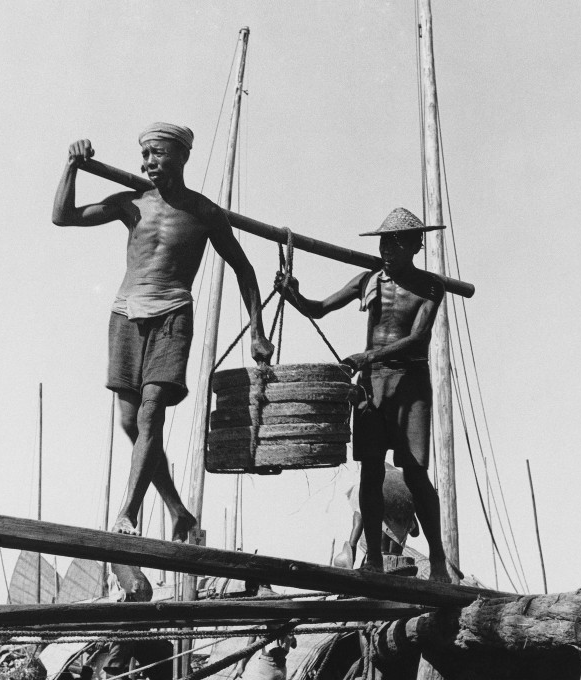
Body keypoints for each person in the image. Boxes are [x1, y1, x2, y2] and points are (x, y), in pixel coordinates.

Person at [52, 123, 273, 541]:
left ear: (181, 156)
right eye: (145, 156)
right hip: (126, 313)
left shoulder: (205, 213)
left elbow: (244, 269)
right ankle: (178, 511)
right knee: (130, 422)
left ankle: (127, 514)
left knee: (152, 410)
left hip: (173, 312)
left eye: (157, 153)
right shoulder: (130, 203)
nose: (148, 162)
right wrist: (72, 166)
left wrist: (257, 331)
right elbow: (62, 217)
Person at [276, 208, 451, 582]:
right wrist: (293, 296)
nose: (388, 248)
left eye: (397, 242)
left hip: (410, 384)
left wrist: (367, 355)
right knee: (370, 471)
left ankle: (438, 559)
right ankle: (372, 555)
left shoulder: (431, 286)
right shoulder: (368, 280)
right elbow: (319, 309)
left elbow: (419, 337)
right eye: (384, 241)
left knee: (416, 474)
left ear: (416, 245)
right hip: (373, 384)